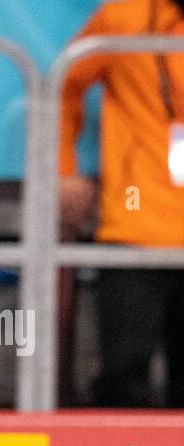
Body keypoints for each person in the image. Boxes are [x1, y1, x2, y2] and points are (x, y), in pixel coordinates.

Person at [60, 0, 184, 407]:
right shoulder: (125, 17)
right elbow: (63, 84)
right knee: (122, 381)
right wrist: (64, 170)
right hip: (135, 232)